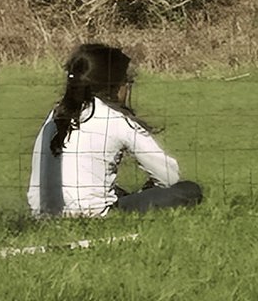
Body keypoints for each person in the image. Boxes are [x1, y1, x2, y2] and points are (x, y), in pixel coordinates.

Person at [27, 43, 202, 217]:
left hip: (42, 215)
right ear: (116, 85)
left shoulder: (55, 115)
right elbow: (169, 176)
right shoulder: (116, 118)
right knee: (189, 190)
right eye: (127, 82)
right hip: (92, 215)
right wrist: (150, 187)